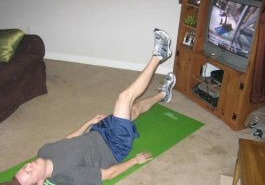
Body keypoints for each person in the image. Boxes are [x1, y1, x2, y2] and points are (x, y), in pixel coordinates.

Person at [2, 28, 176, 185]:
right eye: (29, 172)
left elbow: (67, 140)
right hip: (114, 146)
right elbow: (108, 174)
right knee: (124, 98)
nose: (28, 166)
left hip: (97, 132)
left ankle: (163, 95)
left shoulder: (43, 152)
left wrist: (88, 122)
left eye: (24, 168)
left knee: (133, 110)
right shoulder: (69, 175)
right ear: (40, 182)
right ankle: (160, 54)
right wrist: (134, 161)